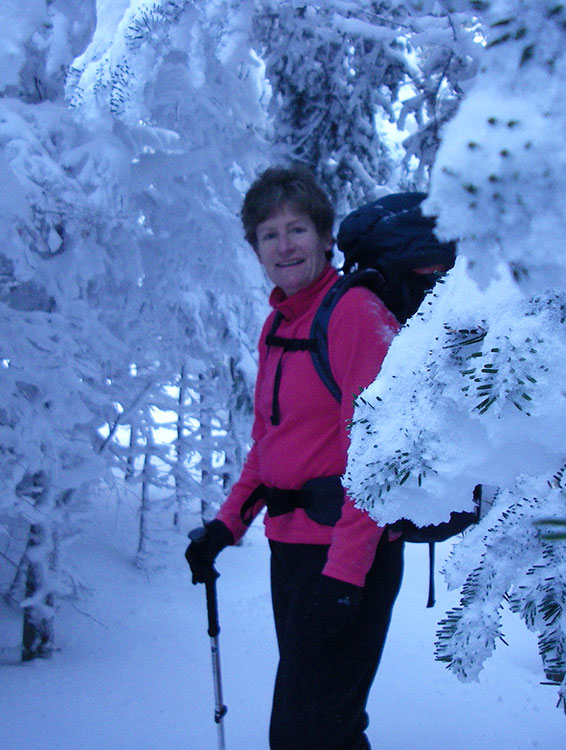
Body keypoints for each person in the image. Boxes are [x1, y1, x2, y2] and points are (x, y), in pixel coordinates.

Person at [185, 166, 405, 750]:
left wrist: (346, 574)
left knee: (314, 732)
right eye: (269, 234)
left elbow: (377, 456)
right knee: (314, 728)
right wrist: (225, 525)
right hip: (295, 554)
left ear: (325, 237)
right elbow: (270, 444)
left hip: (347, 555)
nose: (284, 245)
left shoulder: (353, 313)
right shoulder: (279, 324)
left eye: (297, 229)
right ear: (255, 249)